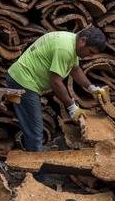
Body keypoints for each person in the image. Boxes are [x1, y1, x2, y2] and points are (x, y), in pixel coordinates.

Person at [6, 27, 108, 180]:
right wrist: (72, 107)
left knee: (34, 128)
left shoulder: (71, 42)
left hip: (26, 80)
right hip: (24, 82)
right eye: (91, 51)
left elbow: (75, 70)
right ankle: (37, 177)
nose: (90, 56)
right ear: (83, 41)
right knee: (35, 130)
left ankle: (35, 169)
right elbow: (56, 83)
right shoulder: (65, 49)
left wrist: (91, 87)